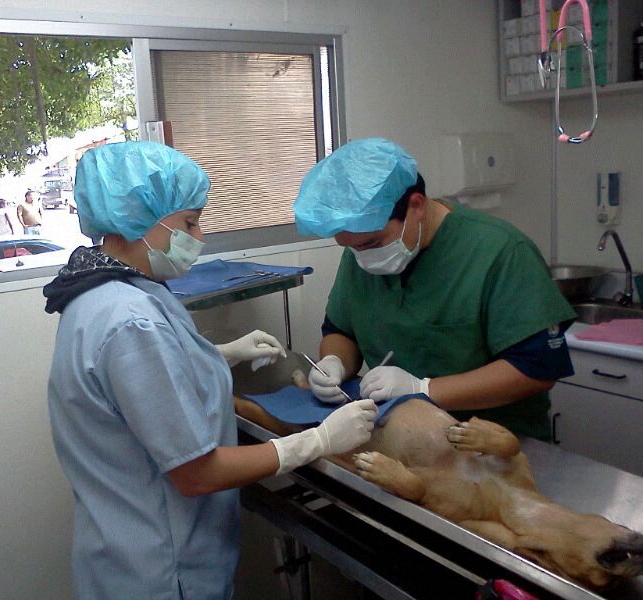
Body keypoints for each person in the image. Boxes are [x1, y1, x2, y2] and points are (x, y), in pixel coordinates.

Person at [43, 141, 377, 600]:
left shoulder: (105, 292)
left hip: (121, 552)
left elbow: (139, 383)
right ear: (137, 219)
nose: (198, 236)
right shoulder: (130, 320)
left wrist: (221, 353)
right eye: (189, 223)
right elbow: (197, 473)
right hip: (162, 571)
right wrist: (316, 442)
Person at [292, 137, 576, 441]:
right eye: (350, 247)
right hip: (401, 435)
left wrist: (423, 389)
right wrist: (335, 363)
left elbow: (537, 370)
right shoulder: (362, 252)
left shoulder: (501, 253)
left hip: (491, 443)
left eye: (371, 244)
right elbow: (341, 330)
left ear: (416, 206)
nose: (362, 257)